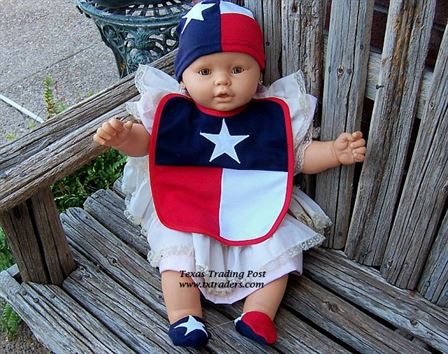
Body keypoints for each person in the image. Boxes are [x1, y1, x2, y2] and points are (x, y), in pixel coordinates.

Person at [93, 0, 366, 348]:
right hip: (190, 203)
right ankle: (185, 315)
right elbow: (149, 144)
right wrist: (123, 137)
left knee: (280, 252)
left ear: (258, 72)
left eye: (237, 69)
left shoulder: (269, 116)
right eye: (205, 72)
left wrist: (332, 152)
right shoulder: (176, 112)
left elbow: (294, 158)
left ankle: (258, 313)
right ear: (184, 76)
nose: (222, 82)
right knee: (177, 257)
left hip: (253, 202)